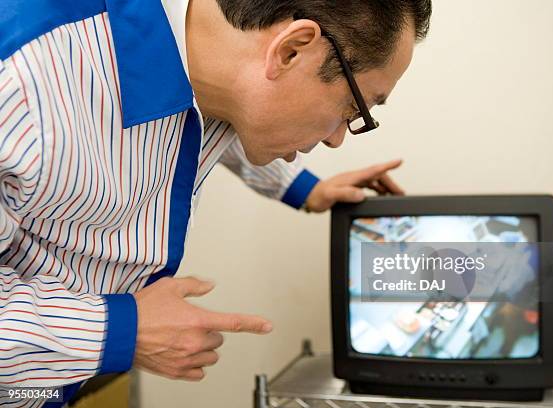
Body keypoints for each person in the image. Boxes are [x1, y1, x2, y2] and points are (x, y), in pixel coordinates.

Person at [0, 0, 432, 405]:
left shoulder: (207, 52)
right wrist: (120, 331)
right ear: (292, 50)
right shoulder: (23, 77)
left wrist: (304, 188)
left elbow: (220, 113)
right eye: (354, 107)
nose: (338, 138)